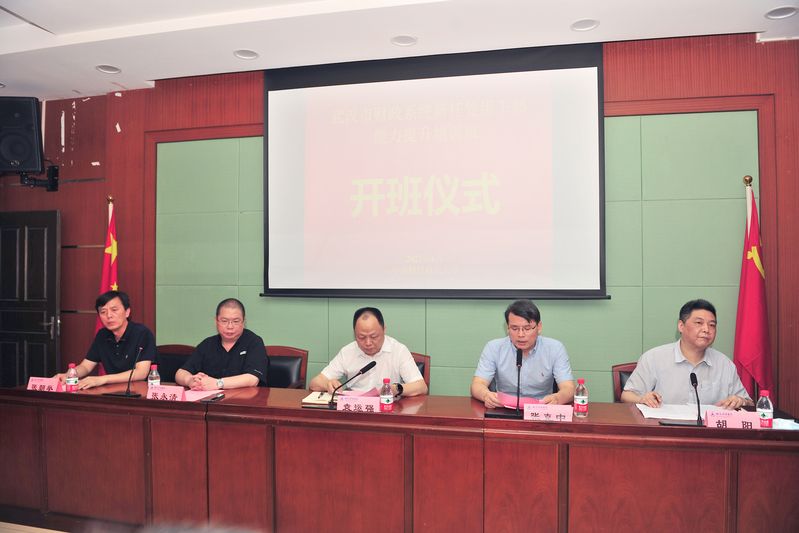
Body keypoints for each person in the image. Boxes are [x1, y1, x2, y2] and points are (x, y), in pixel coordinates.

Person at [621, 299, 752, 409]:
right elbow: (626, 396)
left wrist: (741, 401)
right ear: (681, 326)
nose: (706, 329)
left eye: (712, 325)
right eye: (699, 323)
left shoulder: (725, 364)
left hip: (709, 430)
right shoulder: (653, 358)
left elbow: (749, 403)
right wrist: (642, 399)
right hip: (664, 428)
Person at [471, 299, 575, 407]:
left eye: (527, 328)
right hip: (503, 408)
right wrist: (486, 395)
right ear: (507, 328)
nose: (521, 334)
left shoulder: (555, 348)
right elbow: (477, 384)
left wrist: (557, 398)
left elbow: (568, 388)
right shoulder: (494, 348)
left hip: (541, 408)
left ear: (539, 327)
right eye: (514, 328)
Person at [309, 307, 428, 397]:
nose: (368, 343)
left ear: (384, 330)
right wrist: (328, 384)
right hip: (355, 410)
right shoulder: (348, 352)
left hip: (387, 409)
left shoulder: (398, 350)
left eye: (374, 336)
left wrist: (396, 389)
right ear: (354, 333)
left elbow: (421, 387)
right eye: (361, 337)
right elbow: (314, 383)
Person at [55, 290, 155, 389]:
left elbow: (141, 373)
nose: (109, 316)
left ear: (127, 312)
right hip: (113, 391)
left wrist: (102, 379)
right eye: (103, 312)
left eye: (114, 310)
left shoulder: (142, 333)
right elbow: (86, 366)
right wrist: (69, 375)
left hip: (141, 391)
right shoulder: (102, 335)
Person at [175, 298, 267, 391]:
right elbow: (180, 373)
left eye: (236, 321)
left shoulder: (254, 342)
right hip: (210, 398)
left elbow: (252, 379)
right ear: (216, 321)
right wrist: (190, 380)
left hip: (244, 398)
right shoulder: (207, 344)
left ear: (243, 322)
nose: (230, 326)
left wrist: (218, 383)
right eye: (224, 321)